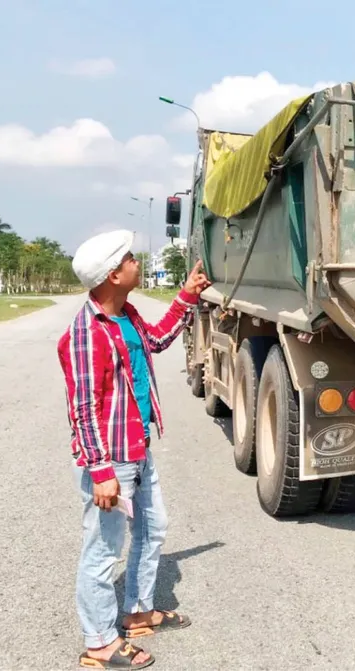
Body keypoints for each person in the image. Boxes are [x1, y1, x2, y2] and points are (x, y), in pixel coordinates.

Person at [58, 229, 211, 669]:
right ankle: (100, 643)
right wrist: (101, 471)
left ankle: (139, 612)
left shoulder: (127, 316)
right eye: (128, 259)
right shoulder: (88, 330)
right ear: (112, 275)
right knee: (103, 552)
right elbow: (83, 407)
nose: (135, 262)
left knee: (153, 527)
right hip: (111, 458)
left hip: (136, 447)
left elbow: (159, 340)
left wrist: (184, 297)